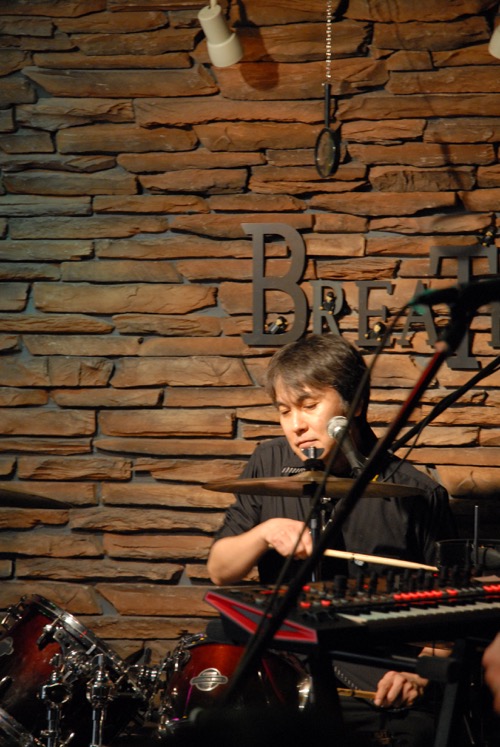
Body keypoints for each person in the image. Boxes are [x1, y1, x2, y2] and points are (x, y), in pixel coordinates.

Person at [207, 333, 457, 747]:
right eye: (284, 411)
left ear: (354, 404)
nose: (296, 425)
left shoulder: (417, 494)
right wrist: (265, 532)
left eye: (309, 405)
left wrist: (416, 674)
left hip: (371, 682)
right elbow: (220, 569)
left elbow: (452, 618)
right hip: (281, 670)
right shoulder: (268, 462)